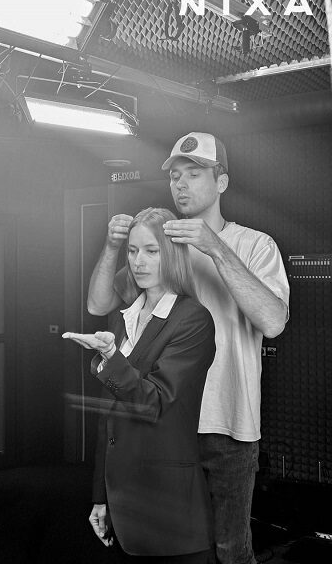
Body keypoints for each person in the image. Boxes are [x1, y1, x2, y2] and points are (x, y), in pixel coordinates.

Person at [87, 132, 290, 564]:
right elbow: (99, 304)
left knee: (230, 551)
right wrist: (111, 247)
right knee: (169, 550)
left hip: (226, 426)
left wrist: (214, 248)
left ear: (222, 182)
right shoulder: (160, 248)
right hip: (163, 424)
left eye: (194, 174)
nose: (180, 184)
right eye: (175, 175)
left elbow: (273, 321)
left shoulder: (256, 245)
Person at [64, 207, 216, 563]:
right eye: (132, 251)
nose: (138, 261)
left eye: (151, 251)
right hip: (123, 506)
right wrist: (101, 497)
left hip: (170, 513)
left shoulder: (193, 319)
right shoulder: (124, 318)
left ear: (172, 254)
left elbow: (154, 403)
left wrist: (110, 357)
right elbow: (110, 419)